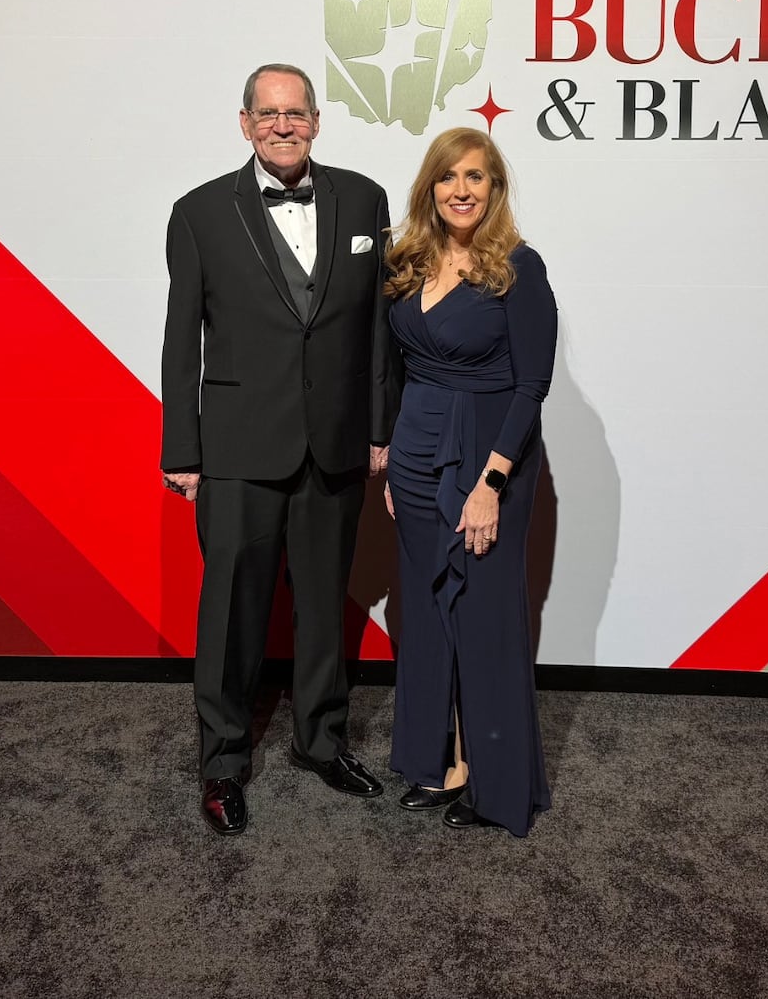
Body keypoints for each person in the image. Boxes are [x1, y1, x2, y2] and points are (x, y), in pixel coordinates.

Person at [161, 63, 396, 836]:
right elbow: (179, 342)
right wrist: (182, 449)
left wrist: (377, 430)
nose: (283, 126)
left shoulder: (364, 199)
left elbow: (374, 333)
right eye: (269, 115)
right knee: (232, 615)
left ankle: (320, 741)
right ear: (244, 123)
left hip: (332, 445)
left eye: (296, 114)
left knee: (325, 607)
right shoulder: (197, 213)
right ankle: (223, 763)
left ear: (318, 121)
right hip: (235, 449)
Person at [382, 126, 557, 836]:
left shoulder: (518, 266)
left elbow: (531, 384)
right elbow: (398, 370)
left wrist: (491, 481)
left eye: (477, 177)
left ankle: (497, 785)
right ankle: (442, 762)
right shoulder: (408, 262)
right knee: (427, 612)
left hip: (488, 458)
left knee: (484, 620)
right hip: (417, 454)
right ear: (430, 186)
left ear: (495, 188)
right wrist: (395, 457)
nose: (462, 189)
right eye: (450, 176)